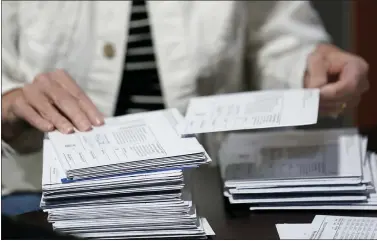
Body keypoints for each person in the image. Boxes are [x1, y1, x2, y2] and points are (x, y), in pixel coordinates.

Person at [1, 1, 369, 214]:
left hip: (210, 191)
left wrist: (309, 64)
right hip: (41, 194)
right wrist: (8, 103)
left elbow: (275, 35)